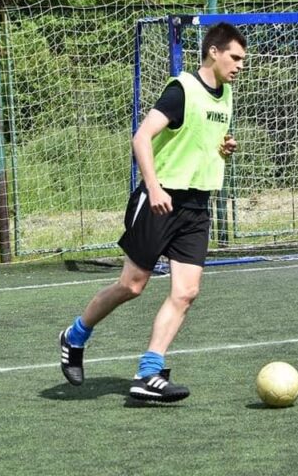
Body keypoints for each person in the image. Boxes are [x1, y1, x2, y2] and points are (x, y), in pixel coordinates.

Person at [58, 22, 247, 402]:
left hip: (197, 206)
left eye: (243, 59)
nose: (240, 65)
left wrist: (222, 148)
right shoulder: (182, 90)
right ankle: (74, 335)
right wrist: (155, 187)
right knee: (132, 285)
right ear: (214, 52)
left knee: (186, 292)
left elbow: (196, 139)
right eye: (235, 57)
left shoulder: (225, 95)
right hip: (161, 200)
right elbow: (141, 137)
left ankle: (148, 373)